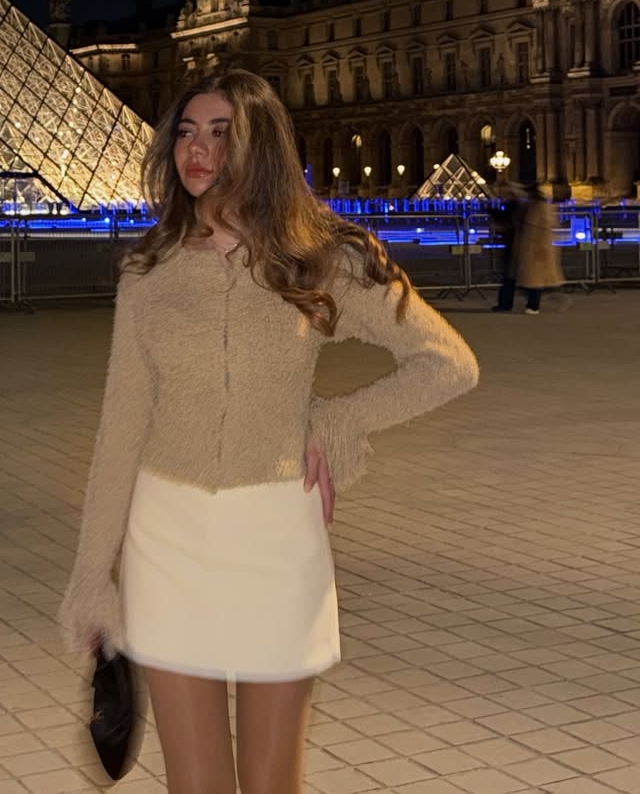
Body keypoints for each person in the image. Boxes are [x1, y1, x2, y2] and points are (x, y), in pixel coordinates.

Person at [58, 71, 480, 794]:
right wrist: (90, 577)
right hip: (168, 537)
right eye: (188, 131)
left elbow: (449, 363)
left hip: (276, 535)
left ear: (262, 145)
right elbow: (121, 428)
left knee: (270, 782)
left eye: (222, 133)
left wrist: (341, 417)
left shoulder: (323, 258)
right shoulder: (148, 270)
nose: (198, 148)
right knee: (195, 785)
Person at [495, 184, 564, 314]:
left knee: (533, 280)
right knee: (531, 279)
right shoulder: (537, 206)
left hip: (535, 248)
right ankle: (529, 305)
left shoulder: (537, 207)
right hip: (531, 248)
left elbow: (537, 228)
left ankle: (533, 306)